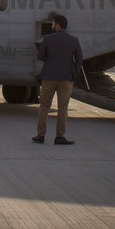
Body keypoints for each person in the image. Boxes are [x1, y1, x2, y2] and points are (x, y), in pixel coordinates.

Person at [32, 13, 83, 145]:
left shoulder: (48, 39)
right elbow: (79, 59)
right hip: (66, 78)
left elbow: (40, 56)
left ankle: (40, 135)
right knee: (63, 108)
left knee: (44, 106)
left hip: (48, 77)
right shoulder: (74, 40)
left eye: (53, 24)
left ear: (58, 25)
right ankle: (59, 136)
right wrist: (74, 74)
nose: (52, 26)